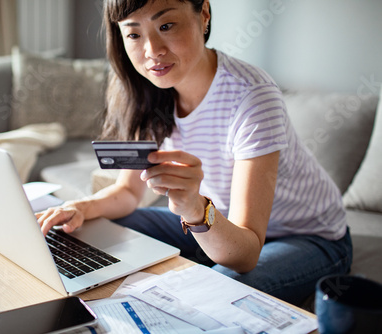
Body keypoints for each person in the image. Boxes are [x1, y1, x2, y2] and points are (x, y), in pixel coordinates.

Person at [37, 0, 352, 306]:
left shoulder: (252, 97)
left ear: (204, 14)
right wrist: (80, 207)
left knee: (217, 291)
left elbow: (245, 253)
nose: (152, 51)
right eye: (134, 34)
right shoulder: (144, 91)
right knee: (90, 228)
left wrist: (194, 207)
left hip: (307, 237)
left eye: (167, 25)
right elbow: (127, 193)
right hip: (220, 224)